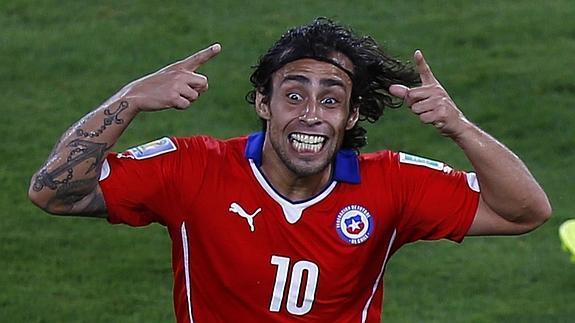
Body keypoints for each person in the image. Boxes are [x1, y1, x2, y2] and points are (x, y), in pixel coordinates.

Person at [28, 18, 551, 322]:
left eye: (330, 100)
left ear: (349, 116)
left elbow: (525, 211)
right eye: (294, 94)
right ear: (263, 103)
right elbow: (55, 194)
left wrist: (459, 127)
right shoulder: (192, 168)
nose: (309, 114)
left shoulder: (390, 183)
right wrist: (129, 100)